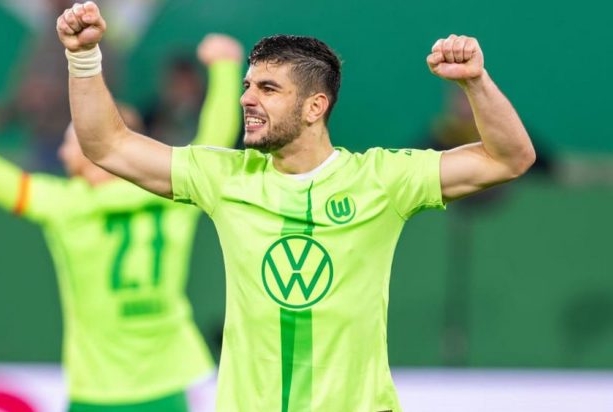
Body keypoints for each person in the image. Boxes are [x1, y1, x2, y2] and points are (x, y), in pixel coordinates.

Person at [56, 2, 536, 411]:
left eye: (268, 89)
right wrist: (82, 57)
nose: (247, 99)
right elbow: (107, 146)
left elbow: (510, 158)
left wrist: (475, 82)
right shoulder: (223, 177)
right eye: (247, 85)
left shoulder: (383, 180)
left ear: (314, 107)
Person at [0, 32, 243, 412]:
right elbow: (215, 140)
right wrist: (225, 67)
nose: (61, 151)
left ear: (95, 148)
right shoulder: (174, 194)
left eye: (70, 142)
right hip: (167, 386)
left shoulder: (64, 204)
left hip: (95, 391)